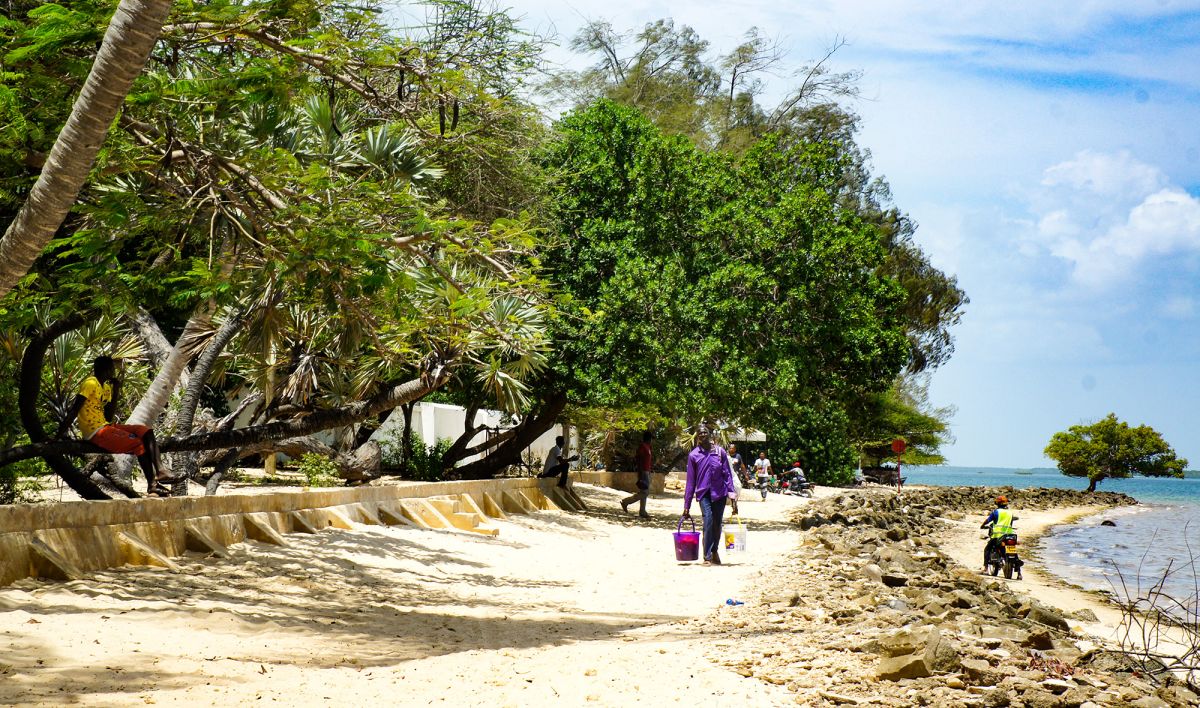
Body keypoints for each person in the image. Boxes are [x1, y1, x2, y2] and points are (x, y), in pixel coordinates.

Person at [56, 355, 174, 497]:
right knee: (138, 444)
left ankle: (160, 470)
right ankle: (152, 485)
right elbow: (75, 410)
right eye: (112, 368)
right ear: (105, 370)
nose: (113, 371)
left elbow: (108, 417)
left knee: (146, 431)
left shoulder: (106, 387)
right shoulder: (90, 383)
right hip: (95, 432)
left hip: (106, 425)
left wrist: (116, 390)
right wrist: (58, 436)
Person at [683, 423, 739, 566]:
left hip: (720, 493)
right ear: (697, 437)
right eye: (699, 433)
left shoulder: (720, 452)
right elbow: (690, 482)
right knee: (708, 520)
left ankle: (715, 551)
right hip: (704, 494)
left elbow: (727, 475)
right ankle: (707, 557)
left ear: (709, 434)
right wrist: (686, 506)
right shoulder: (693, 455)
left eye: (704, 432)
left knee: (717, 524)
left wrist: (733, 498)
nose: (702, 434)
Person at [980, 495, 1018, 571]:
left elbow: (988, 520)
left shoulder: (996, 512)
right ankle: (1019, 573)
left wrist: (982, 525)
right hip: (1009, 535)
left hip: (998, 535)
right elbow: (1010, 524)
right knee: (1013, 550)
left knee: (987, 549)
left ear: (997, 503)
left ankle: (986, 567)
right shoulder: (1010, 513)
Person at [621, 431, 653, 518]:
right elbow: (639, 459)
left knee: (644, 492)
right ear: (648, 438)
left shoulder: (649, 447)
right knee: (645, 493)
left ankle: (642, 511)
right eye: (651, 438)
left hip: (647, 471)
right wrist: (641, 472)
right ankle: (626, 501)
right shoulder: (643, 447)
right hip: (643, 472)